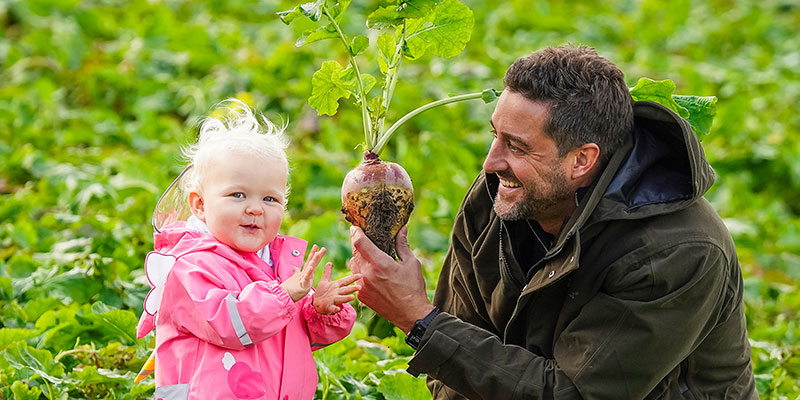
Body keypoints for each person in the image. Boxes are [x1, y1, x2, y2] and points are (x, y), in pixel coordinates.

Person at [348, 45, 756, 399]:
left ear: (582, 159)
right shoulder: (499, 193)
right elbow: (458, 369)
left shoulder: (676, 252)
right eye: (495, 135)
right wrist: (430, 328)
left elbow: (573, 394)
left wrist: (418, 319)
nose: (492, 162)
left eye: (518, 146)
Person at [136, 99, 361, 400]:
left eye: (270, 199)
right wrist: (286, 295)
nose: (255, 209)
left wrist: (318, 310)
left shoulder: (279, 264)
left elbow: (299, 337)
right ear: (200, 205)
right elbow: (230, 324)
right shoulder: (189, 268)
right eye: (238, 195)